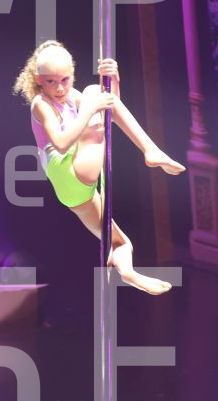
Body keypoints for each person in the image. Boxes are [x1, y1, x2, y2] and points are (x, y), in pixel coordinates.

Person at [13, 40, 185, 295]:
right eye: (51, 81)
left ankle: (129, 273)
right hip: (65, 168)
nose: (59, 88)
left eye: (65, 80)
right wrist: (90, 109)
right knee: (94, 93)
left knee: (121, 243)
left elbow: (109, 113)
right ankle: (150, 151)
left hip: (74, 193)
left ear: (72, 74)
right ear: (38, 80)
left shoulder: (71, 96)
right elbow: (61, 143)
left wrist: (114, 81)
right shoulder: (41, 103)